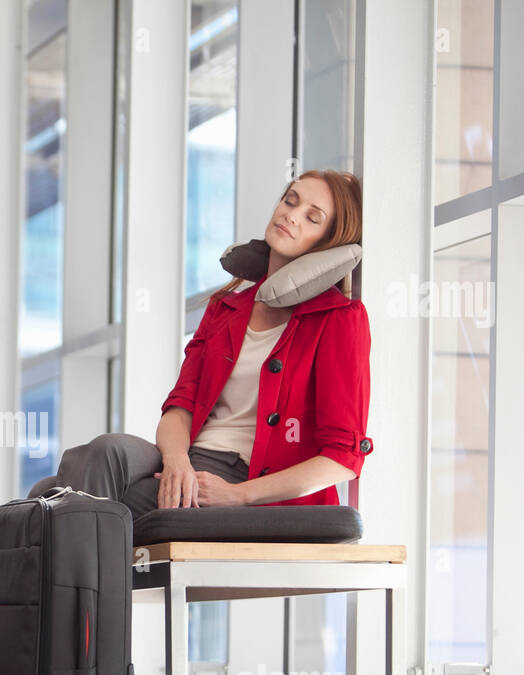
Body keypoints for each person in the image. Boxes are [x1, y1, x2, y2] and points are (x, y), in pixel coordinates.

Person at [29, 169, 374, 519]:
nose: (291, 215)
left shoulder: (338, 319)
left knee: (54, 500)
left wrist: (238, 495)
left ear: (329, 242)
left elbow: (343, 457)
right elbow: (181, 405)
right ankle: (92, 574)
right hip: (189, 457)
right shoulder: (226, 308)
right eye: (290, 200)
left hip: (245, 482)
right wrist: (177, 461)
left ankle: (87, 573)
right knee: (93, 461)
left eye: (312, 217)